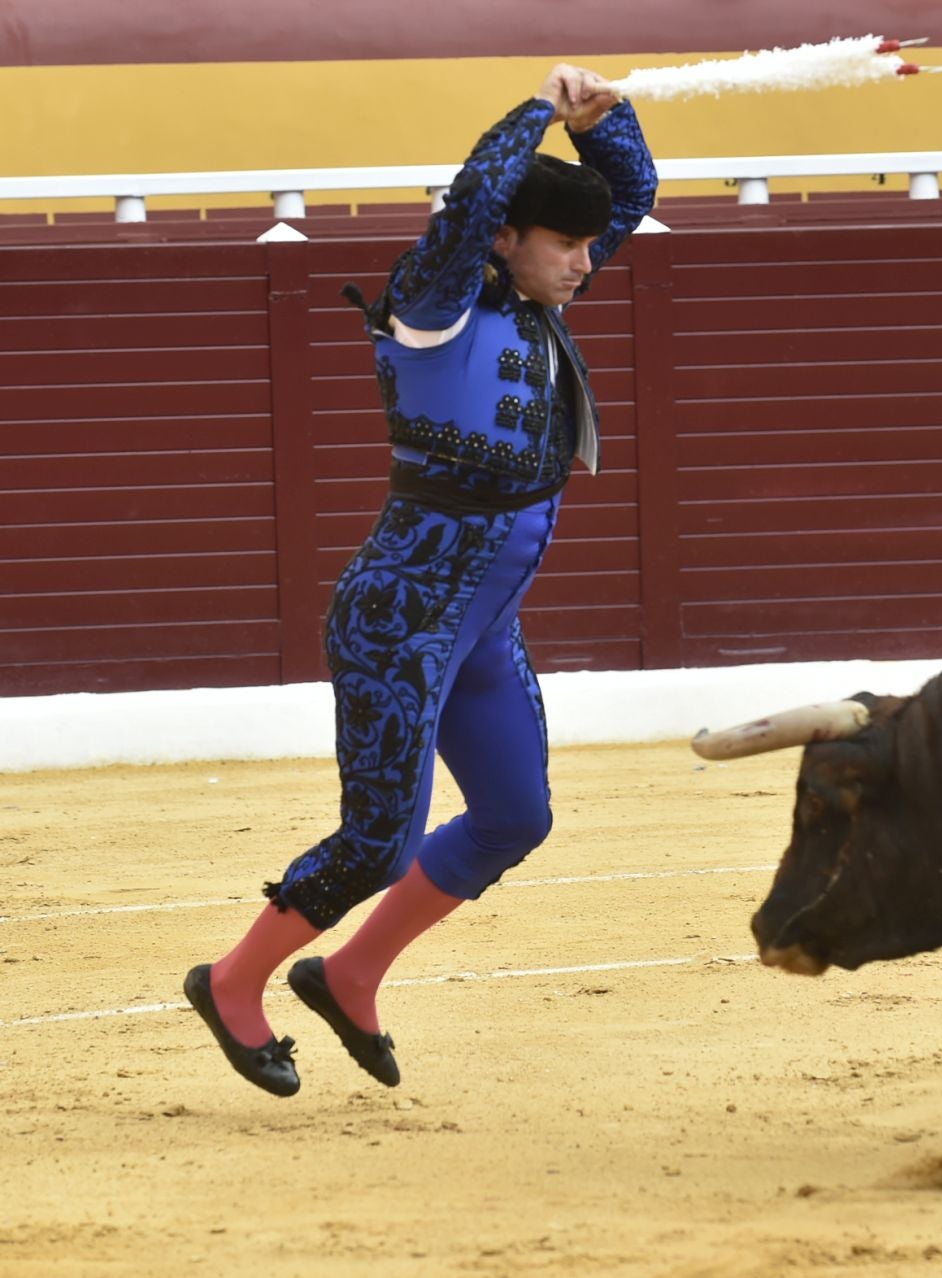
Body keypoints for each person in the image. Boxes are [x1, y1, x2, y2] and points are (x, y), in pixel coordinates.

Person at [183, 62, 657, 1096]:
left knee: (514, 817)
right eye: (565, 245)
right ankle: (232, 979)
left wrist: (601, 119)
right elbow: (479, 192)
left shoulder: (536, 293)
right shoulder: (433, 298)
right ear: (503, 237)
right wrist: (537, 109)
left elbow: (632, 196)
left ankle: (350, 973)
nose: (585, 263)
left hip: (481, 629)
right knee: (377, 844)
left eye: (586, 247)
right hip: (400, 620)